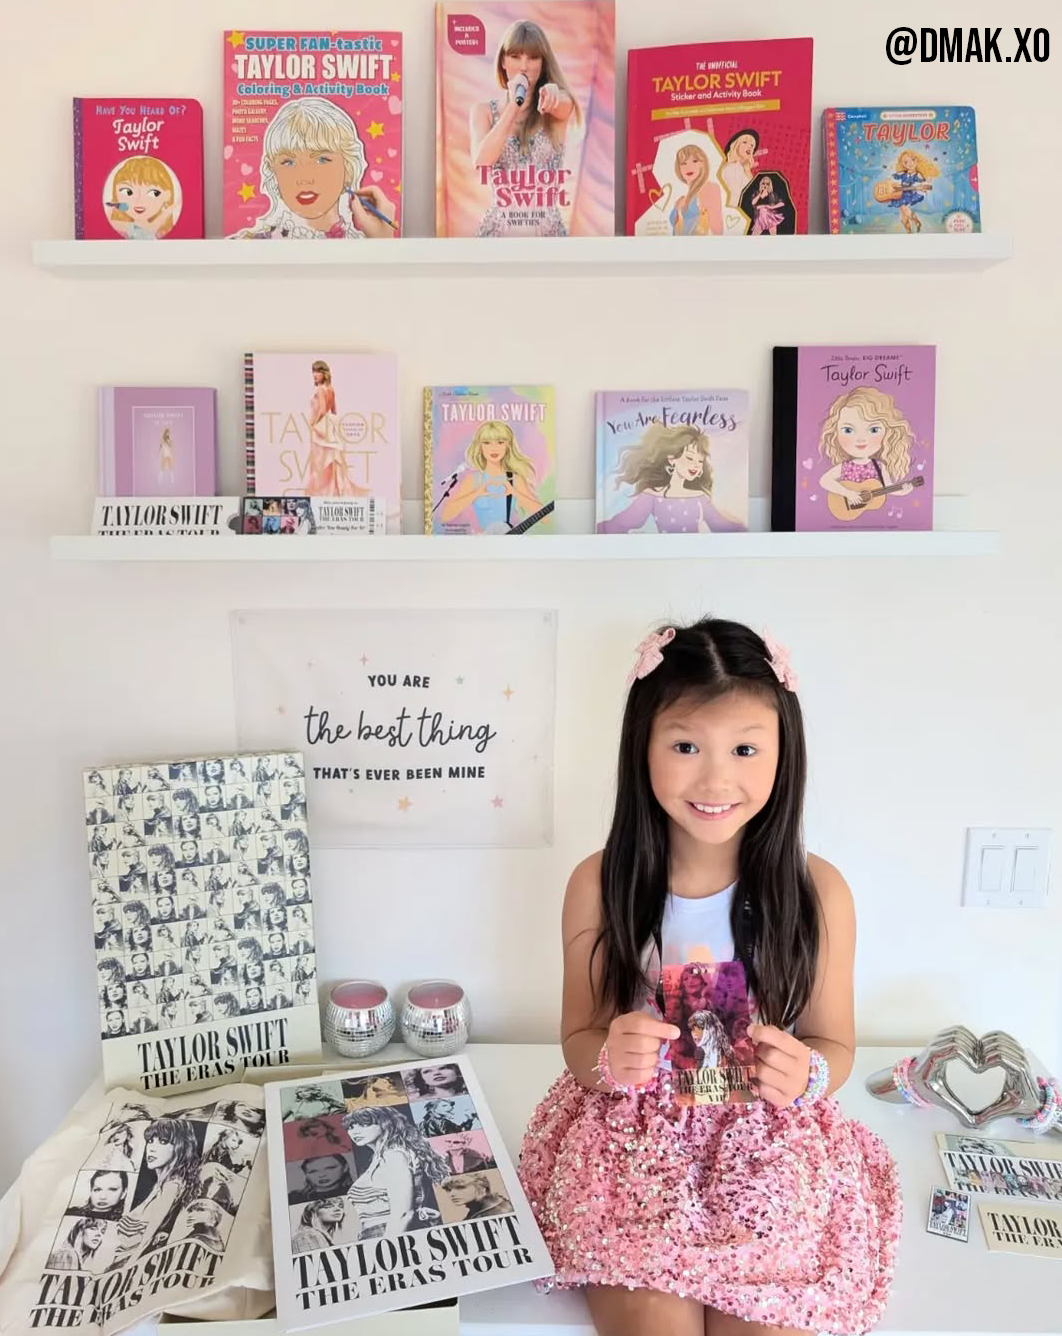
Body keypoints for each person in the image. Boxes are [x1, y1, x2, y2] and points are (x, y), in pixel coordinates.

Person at [517, 618, 901, 1336]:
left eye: (745, 749)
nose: (716, 779)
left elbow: (835, 1044)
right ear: (643, 746)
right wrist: (609, 1059)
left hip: (766, 1148)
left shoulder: (818, 892)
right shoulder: (599, 883)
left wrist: (808, 1073)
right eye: (686, 746)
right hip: (632, 1150)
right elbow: (578, 1037)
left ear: (784, 754)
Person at [228, 96, 396, 240]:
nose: (304, 178)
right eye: (288, 162)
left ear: (348, 168)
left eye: (322, 160)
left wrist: (383, 242)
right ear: (273, 171)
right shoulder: (249, 243)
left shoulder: (366, 240)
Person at [470, 20, 580, 237]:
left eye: (533, 57)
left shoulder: (555, 106)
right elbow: (481, 161)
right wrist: (514, 105)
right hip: (498, 235)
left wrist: (553, 93)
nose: (524, 66)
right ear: (503, 61)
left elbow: (565, 104)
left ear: (543, 63)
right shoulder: (482, 112)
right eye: (515, 56)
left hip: (547, 237)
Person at [598, 423, 745, 535]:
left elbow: (721, 526)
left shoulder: (700, 497)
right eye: (689, 458)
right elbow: (623, 523)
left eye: (700, 461)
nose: (695, 465)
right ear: (672, 459)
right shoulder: (652, 495)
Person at [343, 1107, 450, 1238]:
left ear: (385, 1124)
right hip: (377, 1233)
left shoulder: (393, 1155)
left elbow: (403, 1214)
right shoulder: (379, 1158)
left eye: (364, 1124)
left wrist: (388, 1245)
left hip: (390, 1233)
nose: (355, 1131)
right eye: (351, 1127)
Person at [111, 1118, 202, 1266]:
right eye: (150, 1141)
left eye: (163, 1141)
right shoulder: (161, 1185)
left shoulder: (172, 1186)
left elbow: (147, 1239)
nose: (152, 1148)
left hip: (129, 1265)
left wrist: (127, 1268)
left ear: (180, 1147)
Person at [817, 387, 915, 516]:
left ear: (887, 433)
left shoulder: (879, 467)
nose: (861, 439)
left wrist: (903, 491)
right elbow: (824, 481)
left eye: (873, 430)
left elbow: (887, 488)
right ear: (835, 433)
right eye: (848, 430)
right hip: (846, 509)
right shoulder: (846, 467)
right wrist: (849, 493)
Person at [438, 421, 543, 533]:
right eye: (487, 443)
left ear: (508, 446)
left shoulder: (514, 479)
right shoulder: (473, 480)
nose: (494, 448)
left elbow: (545, 518)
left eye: (500, 442)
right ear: (480, 447)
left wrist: (515, 492)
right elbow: (445, 516)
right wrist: (476, 493)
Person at [670, 143, 723, 236]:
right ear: (679, 168)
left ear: (703, 164)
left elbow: (718, 230)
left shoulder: (710, 188)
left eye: (695, 161)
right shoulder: (682, 199)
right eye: (683, 163)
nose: (689, 167)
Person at [47, 1217, 112, 1272]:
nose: (99, 1234)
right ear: (80, 1231)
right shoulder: (67, 1254)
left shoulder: (78, 1257)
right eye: (93, 1229)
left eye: (102, 1231)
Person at [442, 1173, 513, 1222]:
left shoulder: (499, 1212)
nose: (451, 1194)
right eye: (449, 1189)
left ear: (482, 1187)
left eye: (460, 1187)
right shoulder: (477, 1211)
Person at [289, 1155, 354, 1203]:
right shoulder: (294, 1198)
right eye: (313, 1171)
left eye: (330, 1168)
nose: (322, 1175)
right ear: (306, 1174)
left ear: (345, 1167)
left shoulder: (355, 1193)